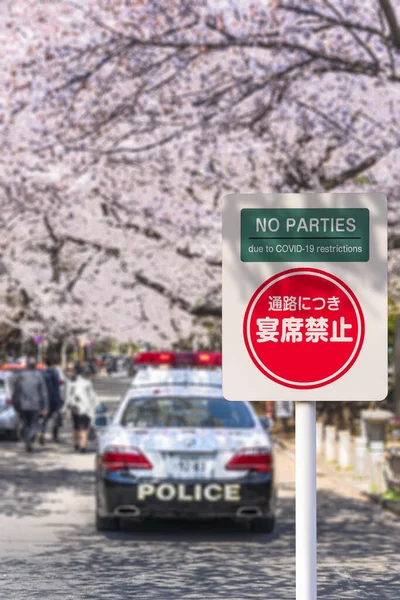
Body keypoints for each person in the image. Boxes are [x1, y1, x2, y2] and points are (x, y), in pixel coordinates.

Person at [12, 357, 49, 452]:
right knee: (33, 424)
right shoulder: (39, 376)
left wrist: (15, 404)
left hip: (23, 404)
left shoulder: (20, 375)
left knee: (25, 423)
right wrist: (45, 406)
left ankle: (28, 439)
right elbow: (44, 392)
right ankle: (29, 439)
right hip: (35, 405)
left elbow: (16, 391)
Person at [64, 365, 99, 452]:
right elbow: (93, 396)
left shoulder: (72, 382)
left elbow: (68, 397)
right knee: (84, 428)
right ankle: (83, 446)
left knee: (75, 427)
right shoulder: (87, 383)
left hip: (75, 408)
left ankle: (76, 444)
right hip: (85, 409)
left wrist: (65, 408)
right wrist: (97, 406)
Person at [38, 356, 63, 444]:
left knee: (44, 419)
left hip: (45, 401)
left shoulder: (42, 373)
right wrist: (59, 401)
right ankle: (55, 437)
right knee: (56, 419)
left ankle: (41, 435)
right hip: (54, 400)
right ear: (52, 364)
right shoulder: (55, 373)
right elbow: (57, 388)